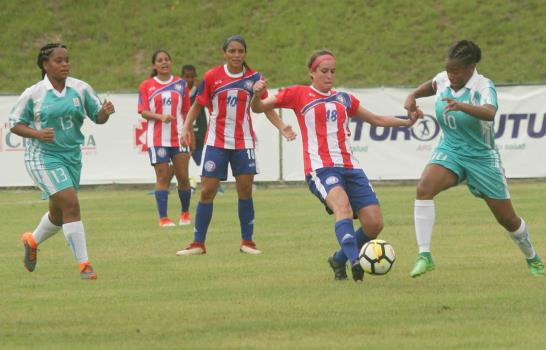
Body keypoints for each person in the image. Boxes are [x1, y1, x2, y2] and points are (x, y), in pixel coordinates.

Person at [251, 49, 421, 281]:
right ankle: (354, 261)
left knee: (374, 223)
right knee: (343, 208)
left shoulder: (344, 98)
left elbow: (376, 120)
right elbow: (259, 108)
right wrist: (256, 95)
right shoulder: (298, 94)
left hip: (351, 167)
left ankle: (338, 259)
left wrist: (407, 121)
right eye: (324, 71)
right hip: (321, 169)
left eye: (333, 71)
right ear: (312, 73)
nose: (329, 76)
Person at [404, 40, 545, 277]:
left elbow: (490, 112)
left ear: (470, 67)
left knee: (508, 219)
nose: (451, 75)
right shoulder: (444, 79)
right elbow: (432, 85)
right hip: (451, 151)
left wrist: (462, 106)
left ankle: (533, 258)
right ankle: (425, 256)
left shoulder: (483, 86)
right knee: (424, 188)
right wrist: (413, 95)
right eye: (449, 70)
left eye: (456, 71)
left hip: (482, 159)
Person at [176, 35, 296, 256]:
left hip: (244, 141)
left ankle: (247, 242)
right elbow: (197, 105)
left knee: (245, 190)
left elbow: (265, 107)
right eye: (232, 51)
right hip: (216, 142)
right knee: (207, 191)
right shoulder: (212, 76)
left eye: (240, 51)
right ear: (225, 53)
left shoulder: (255, 78)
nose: (236, 55)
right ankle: (197, 244)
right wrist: (185, 128)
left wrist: (281, 126)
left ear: (245, 53)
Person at [9, 43, 116, 280]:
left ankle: (32, 240)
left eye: (67, 60)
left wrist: (105, 113)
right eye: (59, 61)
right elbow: (14, 123)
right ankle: (85, 265)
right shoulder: (34, 93)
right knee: (71, 204)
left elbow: (97, 118)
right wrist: (38, 134)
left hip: (71, 156)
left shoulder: (80, 88)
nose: (65, 64)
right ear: (45, 65)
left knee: (59, 216)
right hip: (43, 157)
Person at [138, 50, 193, 227]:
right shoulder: (147, 85)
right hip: (157, 139)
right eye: (160, 61)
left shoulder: (181, 84)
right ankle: (164, 218)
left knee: (183, 176)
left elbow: (186, 111)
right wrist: (160, 117)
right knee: (162, 178)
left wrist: (188, 133)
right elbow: (143, 111)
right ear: (154, 65)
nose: (164, 63)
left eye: (167, 60)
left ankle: (185, 213)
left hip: (179, 137)